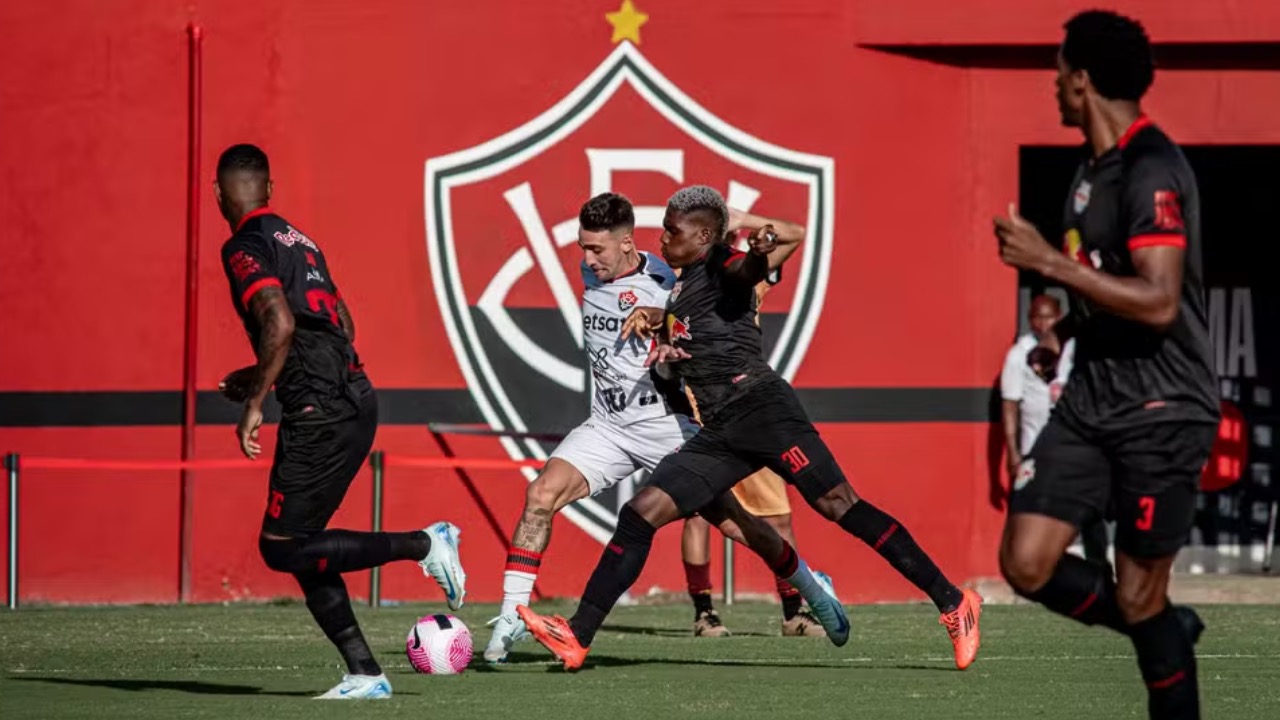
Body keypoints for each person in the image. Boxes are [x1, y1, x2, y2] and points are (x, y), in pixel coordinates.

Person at [518, 185, 981, 671]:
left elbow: (746, 272)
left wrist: (757, 253)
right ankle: (577, 636)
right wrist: (660, 320)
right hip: (720, 429)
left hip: (764, 411)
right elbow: (688, 321)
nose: (662, 237)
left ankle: (953, 603)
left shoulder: (721, 266)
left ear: (702, 237)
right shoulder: (680, 282)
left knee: (839, 506)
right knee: (641, 512)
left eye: (672, 230)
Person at [483, 192, 843, 663]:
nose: (588, 260)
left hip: (666, 425)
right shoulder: (591, 271)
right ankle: (511, 617)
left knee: (739, 525)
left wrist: (671, 357)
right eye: (583, 248)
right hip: (608, 425)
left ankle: (811, 588)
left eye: (597, 250)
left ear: (628, 244)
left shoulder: (667, 282)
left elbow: (696, 335)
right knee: (539, 497)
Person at [993, 12, 1218, 719]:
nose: (1052, 86)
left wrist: (1047, 263)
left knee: (1139, 592)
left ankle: (1159, 632)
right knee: (1026, 563)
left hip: (1162, 407)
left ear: (1082, 80)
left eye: (1059, 72)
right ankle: (1163, 630)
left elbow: (1157, 301)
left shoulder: (1153, 167)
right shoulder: (1090, 172)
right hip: (1091, 399)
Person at [215, 144, 466, 699]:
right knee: (306, 544)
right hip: (352, 397)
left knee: (281, 547)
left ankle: (426, 544)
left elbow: (278, 323)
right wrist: (260, 373)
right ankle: (365, 673)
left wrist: (256, 402)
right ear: (269, 189)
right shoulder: (299, 240)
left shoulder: (245, 245)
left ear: (219, 195)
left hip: (320, 410)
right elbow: (340, 326)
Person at [681, 242, 832, 639]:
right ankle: (704, 613)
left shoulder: (747, 281)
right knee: (698, 514)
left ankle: (793, 612)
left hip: (748, 408)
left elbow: (790, 237)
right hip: (703, 410)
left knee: (778, 513)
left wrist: (748, 225)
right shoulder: (687, 286)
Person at [999, 296, 1106, 561]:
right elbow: (1010, 403)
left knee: (1090, 513)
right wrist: (1013, 452)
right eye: (1037, 317)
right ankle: (1043, 572)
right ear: (1029, 319)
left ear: (1060, 317)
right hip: (1037, 450)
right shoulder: (1019, 354)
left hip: (1077, 445)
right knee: (1037, 516)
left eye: (1049, 317)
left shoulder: (1076, 346)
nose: (1044, 323)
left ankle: (1099, 567)